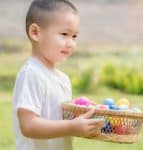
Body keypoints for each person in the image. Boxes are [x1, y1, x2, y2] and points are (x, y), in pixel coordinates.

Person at [12, 0, 105, 150]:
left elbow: (55, 115)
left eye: (74, 36)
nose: (71, 43)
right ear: (35, 33)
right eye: (64, 34)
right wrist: (71, 127)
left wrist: (86, 111)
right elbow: (28, 125)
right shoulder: (31, 74)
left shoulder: (63, 79)